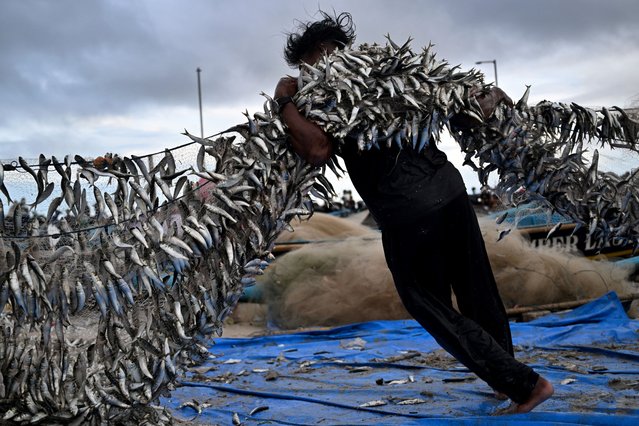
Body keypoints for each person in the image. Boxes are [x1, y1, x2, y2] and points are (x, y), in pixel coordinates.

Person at [273, 11, 554, 413]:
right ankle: (504, 380)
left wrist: (285, 101)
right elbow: (464, 99)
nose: (304, 74)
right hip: (450, 192)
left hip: (407, 213)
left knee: (428, 304)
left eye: (304, 65)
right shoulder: (390, 71)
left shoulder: (325, 93)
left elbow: (317, 150)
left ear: (317, 55)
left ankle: (523, 385)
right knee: (477, 287)